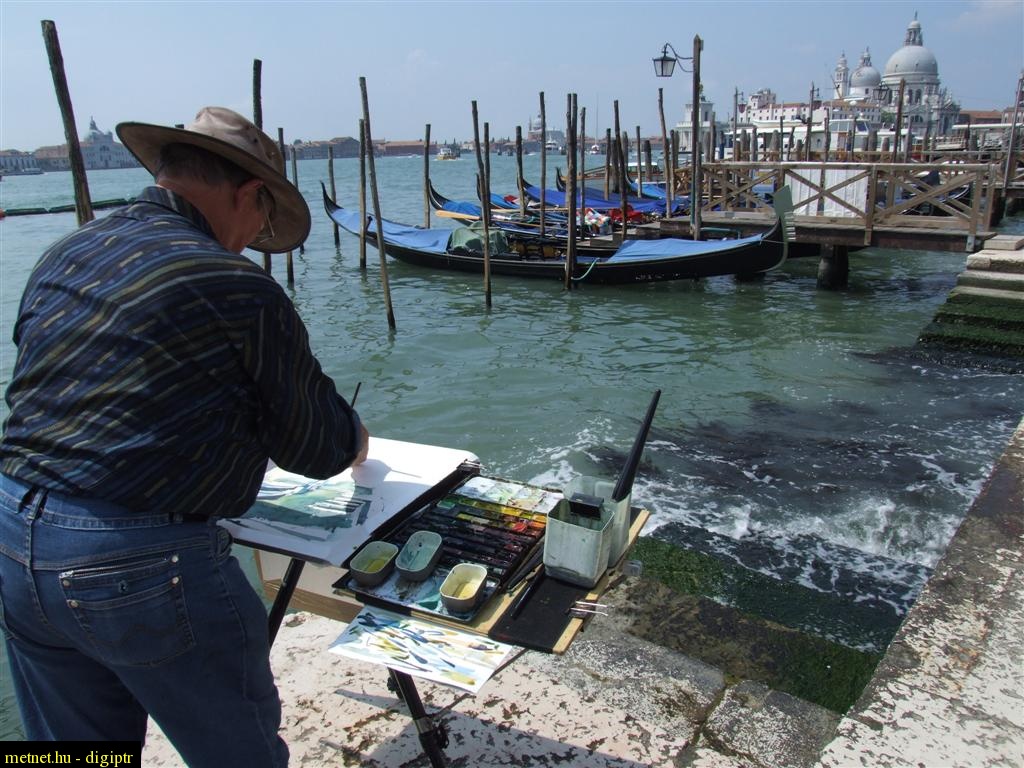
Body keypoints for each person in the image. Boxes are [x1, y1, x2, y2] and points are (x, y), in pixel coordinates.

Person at [0, 107, 369, 766]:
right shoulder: (235, 285)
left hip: (12, 533)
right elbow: (316, 451)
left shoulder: (67, 251)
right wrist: (353, 437)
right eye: (263, 223)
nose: (253, 241)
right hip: (134, 560)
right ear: (249, 193)